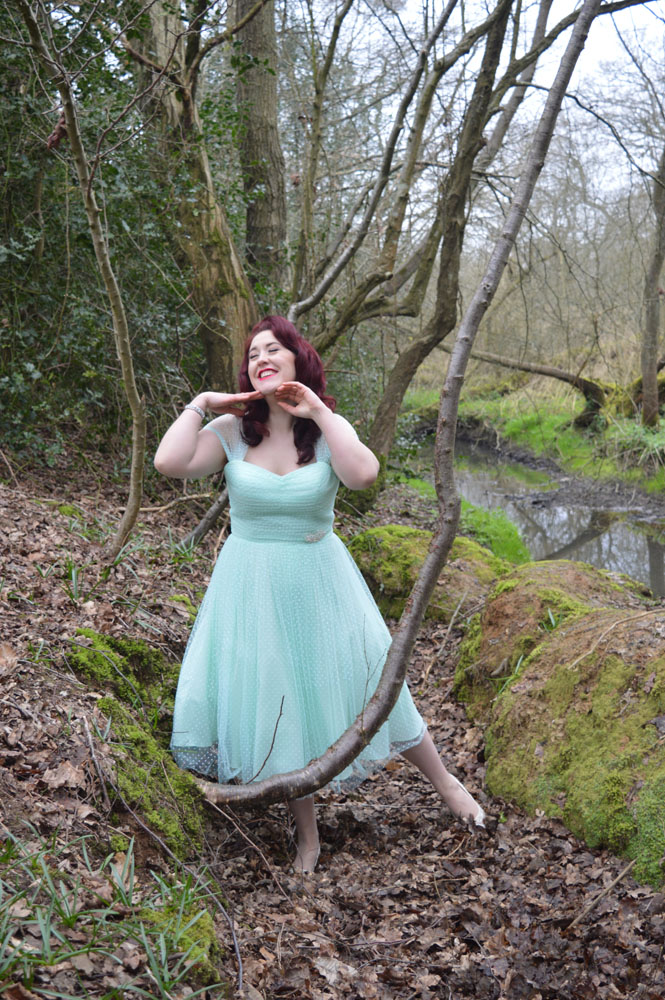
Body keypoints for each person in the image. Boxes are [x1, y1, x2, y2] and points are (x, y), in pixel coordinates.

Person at [154, 316, 485, 873]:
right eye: (253, 354)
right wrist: (202, 403)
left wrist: (320, 413)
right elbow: (169, 463)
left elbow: (364, 476)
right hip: (250, 586)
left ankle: (445, 782)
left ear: (297, 359)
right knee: (279, 694)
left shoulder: (326, 431)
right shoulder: (234, 432)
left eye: (273, 349)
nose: (261, 358)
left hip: (322, 581)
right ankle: (307, 836)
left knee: (371, 677)